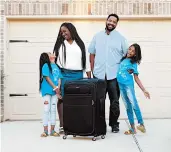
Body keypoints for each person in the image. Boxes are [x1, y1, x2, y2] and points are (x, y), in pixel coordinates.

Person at [88, 13, 129, 133]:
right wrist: (91, 70)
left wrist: (124, 70)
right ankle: (100, 123)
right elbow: (92, 53)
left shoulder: (121, 38)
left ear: (116, 24)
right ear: (106, 21)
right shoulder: (97, 36)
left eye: (114, 22)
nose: (111, 23)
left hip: (114, 75)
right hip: (98, 75)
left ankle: (114, 123)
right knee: (99, 101)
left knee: (114, 101)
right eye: (110, 20)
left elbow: (126, 55)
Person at [53, 22, 91, 133]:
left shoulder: (80, 44)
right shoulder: (60, 45)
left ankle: (76, 123)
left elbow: (86, 64)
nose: (63, 33)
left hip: (78, 75)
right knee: (62, 100)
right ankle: (62, 125)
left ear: (71, 30)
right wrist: (56, 85)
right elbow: (55, 66)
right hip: (64, 75)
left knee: (78, 100)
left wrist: (89, 79)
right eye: (61, 32)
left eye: (65, 31)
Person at [117, 43, 150, 135]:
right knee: (128, 107)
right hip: (121, 86)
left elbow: (136, 78)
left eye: (132, 51)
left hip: (128, 86)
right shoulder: (124, 59)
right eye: (129, 49)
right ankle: (132, 129)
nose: (130, 51)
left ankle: (141, 124)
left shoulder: (133, 63)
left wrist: (144, 90)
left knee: (134, 104)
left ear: (135, 54)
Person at [39, 52, 62, 137]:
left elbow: (59, 78)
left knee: (53, 110)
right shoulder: (45, 65)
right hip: (47, 91)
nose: (52, 53)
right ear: (48, 57)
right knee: (46, 109)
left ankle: (52, 130)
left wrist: (58, 89)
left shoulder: (57, 66)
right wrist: (55, 88)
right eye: (50, 53)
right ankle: (45, 131)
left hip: (55, 92)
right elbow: (47, 77)